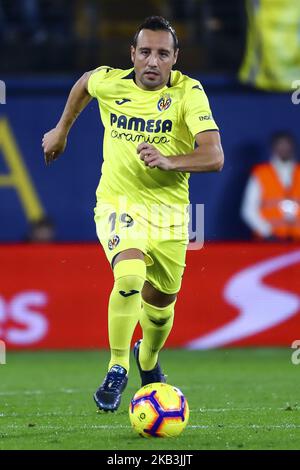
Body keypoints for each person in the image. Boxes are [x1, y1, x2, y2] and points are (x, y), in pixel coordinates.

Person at [42, 16, 224, 412]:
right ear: (133, 55)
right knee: (128, 276)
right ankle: (117, 367)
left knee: (161, 308)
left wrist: (169, 160)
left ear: (175, 58)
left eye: (162, 53)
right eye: (145, 52)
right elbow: (85, 82)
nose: (152, 62)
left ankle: (148, 358)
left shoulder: (189, 93)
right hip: (118, 204)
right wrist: (61, 130)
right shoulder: (112, 82)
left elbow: (214, 157)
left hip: (171, 216)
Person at [241, 132, 300, 241]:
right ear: (273, 148)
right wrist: (267, 233)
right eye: (280, 145)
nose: (284, 149)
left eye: (287, 145)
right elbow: (248, 210)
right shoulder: (261, 173)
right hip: (268, 242)